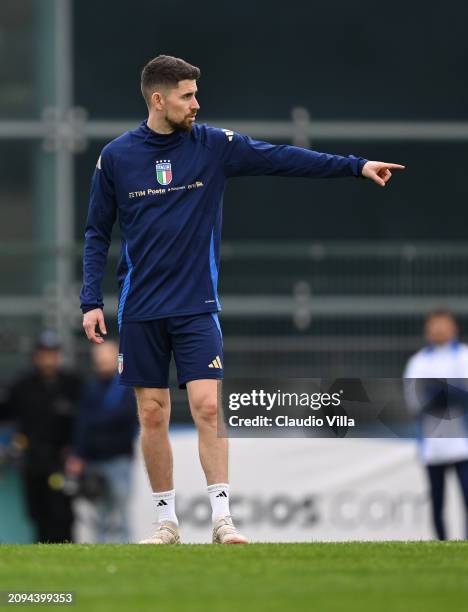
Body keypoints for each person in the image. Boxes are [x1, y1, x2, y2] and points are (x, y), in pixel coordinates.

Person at [80, 54, 405, 544]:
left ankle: (221, 518)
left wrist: (356, 166)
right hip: (141, 306)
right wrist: (90, 299)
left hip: (196, 305)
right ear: (157, 99)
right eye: (186, 95)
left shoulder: (213, 145)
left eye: (195, 94)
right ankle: (166, 521)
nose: (196, 103)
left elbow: (283, 158)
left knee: (209, 406)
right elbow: (95, 233)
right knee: (152, 413)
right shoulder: (117, 157)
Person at [5, 331, 82, 543]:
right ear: (36, 356)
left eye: (52, 353)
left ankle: (67, 550)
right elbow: (6, 413)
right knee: (36, 511)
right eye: (44, 353)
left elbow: (83, 422)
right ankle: (43, 549)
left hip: (62, 459)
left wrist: (78, 452)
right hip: (32, 459)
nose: (48, 358)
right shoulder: (22, 385)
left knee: (62, 512)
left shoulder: (72, 384)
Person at [403, 309, 468, 540]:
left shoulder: (464, 356)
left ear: (453, 328)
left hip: (463, 444)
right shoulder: (418, 362)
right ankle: (442, 543)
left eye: (444, 324)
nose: (439, 329)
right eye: (435, 325)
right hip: (433, 446)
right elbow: (413, 402)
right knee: (438, 501)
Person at [66, 341, 138, 543]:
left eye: (106, 355)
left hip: (119, 458)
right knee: (99, 512)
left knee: (121, 509)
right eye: (98, 356)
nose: (102, 360)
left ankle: (126, 546)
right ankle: (101, 547)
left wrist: (97, 421)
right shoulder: (90, 388)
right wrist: (79, 454)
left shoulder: (126, 386)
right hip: (94, 459)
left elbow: (125, 417)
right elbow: (82, 422)